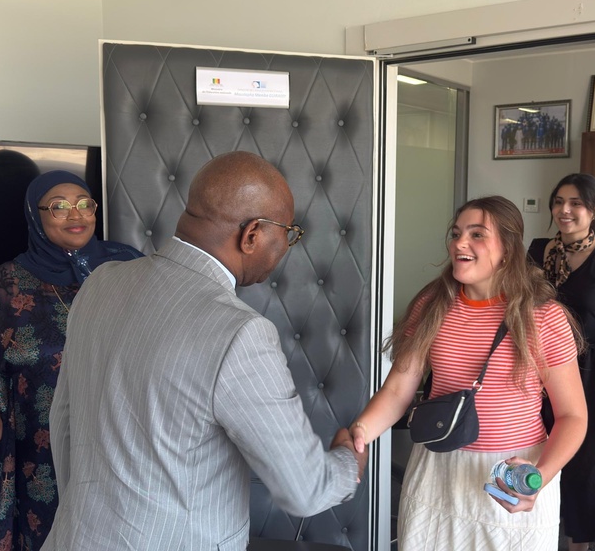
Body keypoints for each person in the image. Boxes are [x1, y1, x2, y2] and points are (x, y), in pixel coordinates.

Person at [42, 151, 367, 550]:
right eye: (288, 232)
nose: (285, 246)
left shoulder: (100, 283)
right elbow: (305, 490)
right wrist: (348, 462)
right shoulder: (241, 333)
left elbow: (63, 420)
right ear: (252, 234)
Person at [349, 195, 588, 550]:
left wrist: (539, 477)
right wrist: (360, 432)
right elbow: (399, 390)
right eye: (457, 233)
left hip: (511, 475)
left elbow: (572, 416)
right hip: (437, 473)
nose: (460, 242)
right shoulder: (431, 305)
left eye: (477, 234)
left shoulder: (544, 317)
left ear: (507, 248)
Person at [0, 170, 143, 550]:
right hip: (40, 452)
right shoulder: (7, 284)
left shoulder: (129, 268)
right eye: (58, 207)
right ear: (35, 215)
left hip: (124, 436)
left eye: (84, 204)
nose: (76, 216)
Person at [527, 173, 595, 551]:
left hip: (594, 375)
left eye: (575, 204)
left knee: (584, 464)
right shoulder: (538, 252)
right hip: (542, 370)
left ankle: (578, 545)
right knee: (539, 452)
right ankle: (535, 534)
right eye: (558, 202)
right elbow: (525, 310)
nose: (564, 210)